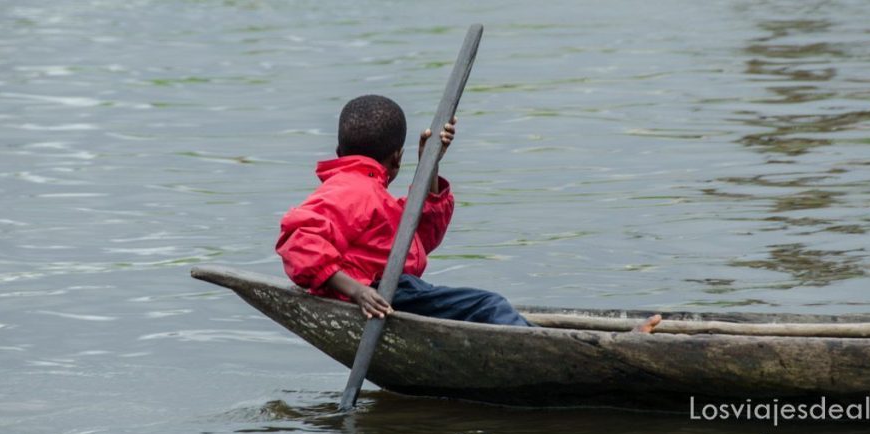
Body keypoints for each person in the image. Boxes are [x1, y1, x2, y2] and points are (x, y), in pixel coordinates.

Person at [276, 95, 661, 332]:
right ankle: (563, 347)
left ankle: (552, 339)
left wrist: (429, 167)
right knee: (489, 306)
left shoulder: (366, 191)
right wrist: (358, 291)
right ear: (396, 159)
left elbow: (417, 239)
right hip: (385, 292)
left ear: (339, 151)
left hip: (396, 290)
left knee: (486, 310)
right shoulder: (351, 189)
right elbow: (298, 239)